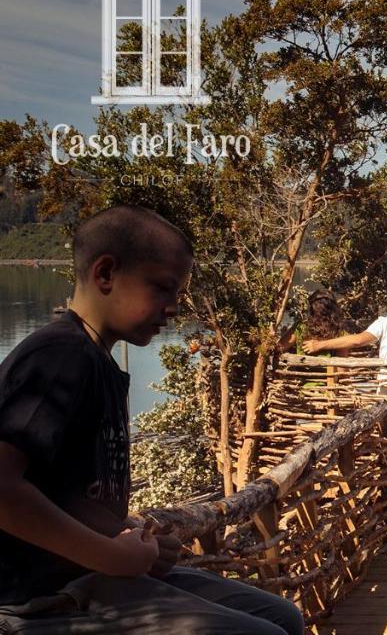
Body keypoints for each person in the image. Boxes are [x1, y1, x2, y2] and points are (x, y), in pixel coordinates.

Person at [0, 205, 304, 634]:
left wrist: (124, 534)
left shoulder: (97, 363)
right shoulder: (59, 356)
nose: (174, 308)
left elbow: (62, 490)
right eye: (163, 288)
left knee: (282, 616)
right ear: (105, 274)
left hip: (91, 575)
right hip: (39, 599)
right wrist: (109, 556)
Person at [277, 289, 352, 357]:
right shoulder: (339, 330)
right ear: (333, 308)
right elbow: (341, 363)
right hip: (329, 371)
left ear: (311, 308)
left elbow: (280, 347)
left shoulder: (301, 327)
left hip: (301, 370)